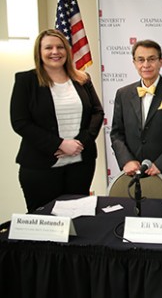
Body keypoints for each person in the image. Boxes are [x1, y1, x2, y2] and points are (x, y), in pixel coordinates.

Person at [10, 29, 104, 212]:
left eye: (60, 47)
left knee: (79, 221)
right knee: (44, 223)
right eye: (49, 47)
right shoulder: (26, 81)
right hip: (40, 168)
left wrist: (80, 143)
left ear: (67, 51)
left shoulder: (82, 78)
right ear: (39, 52)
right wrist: (59, 144)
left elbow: (97, 112)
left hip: (80, 165)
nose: (55, 52)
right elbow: (20, 122)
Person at [110, 40, 162, 196]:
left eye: (152, 59)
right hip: (132, 174)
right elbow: (116, 133)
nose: (146, 64)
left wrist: (160, 164)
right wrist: (126, 160)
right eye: (141, 59)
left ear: (161, 62)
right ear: (134, 62)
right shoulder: (123, 94)